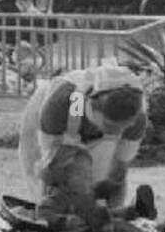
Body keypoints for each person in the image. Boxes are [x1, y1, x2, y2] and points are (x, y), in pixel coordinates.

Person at [18, 64, 147, 212]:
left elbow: (119, 173)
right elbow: (50, 167)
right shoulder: (63, 104)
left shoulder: (136, 119)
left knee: (102, 178)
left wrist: (112, 216)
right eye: (110, 125)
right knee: (60, 175)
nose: (117, 132)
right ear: (92, 105)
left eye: (123, 126)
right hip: (52, 119)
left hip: (84, 123)